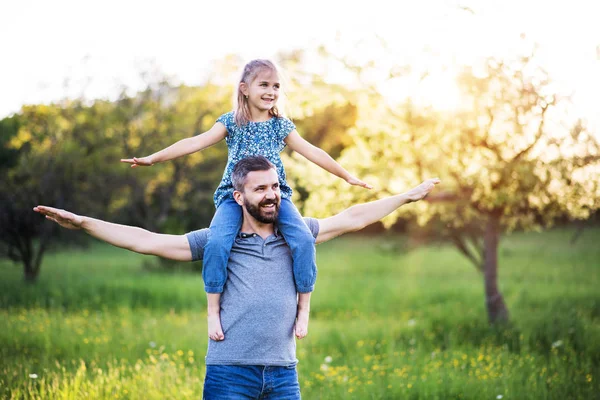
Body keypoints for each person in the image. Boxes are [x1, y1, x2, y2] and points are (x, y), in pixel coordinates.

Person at [34, 155, 439, 400]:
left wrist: (404, 196)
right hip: (231, 374)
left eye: (276, 186)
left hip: (283, 374)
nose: (271, 194)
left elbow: (352, 217)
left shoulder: (294, 236)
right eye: (260, 188)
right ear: (238, 197)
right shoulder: (218, 241)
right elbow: (147, 241)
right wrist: (85, 223)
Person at [121, 59, 372, 342]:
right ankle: (213, 310)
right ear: (244, 89)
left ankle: (304, 307)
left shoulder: (280, 126)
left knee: (303, 240)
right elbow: (194, 142)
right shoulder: (231, 122)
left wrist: (346, 175)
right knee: (216, 243)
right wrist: (153, 158)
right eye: (264, 84)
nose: (271, 91)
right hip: (233, 197)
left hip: (275, 197)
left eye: (276, 86)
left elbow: (312, 151)